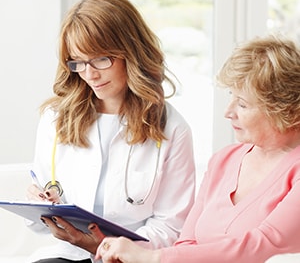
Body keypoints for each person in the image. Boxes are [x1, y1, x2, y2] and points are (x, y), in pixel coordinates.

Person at [95, 34, 300, 263]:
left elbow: (263, 246)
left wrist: (152, 258)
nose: (228, 112)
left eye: (242, 104)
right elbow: (187, 243)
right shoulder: (224, 160)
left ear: (284, 110)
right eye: (231, 97)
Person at [26, 0, 196, 263]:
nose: (90, 74)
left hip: (132, 257)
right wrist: (41, 205)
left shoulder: (172, 129)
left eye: (101, 59)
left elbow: (171, 226)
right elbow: (40, 218)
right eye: (78, 62)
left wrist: (109, 248)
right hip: (66, 254)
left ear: (132, 52)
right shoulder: (55, 119)